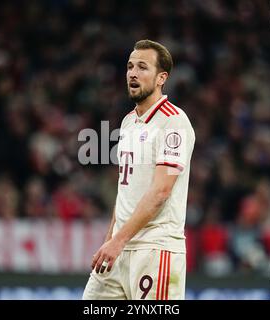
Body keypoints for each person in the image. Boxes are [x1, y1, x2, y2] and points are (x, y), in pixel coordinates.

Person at [83, 39, 195, 300]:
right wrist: (111, 238)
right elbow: (126, 190)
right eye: (130, 66)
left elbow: (160, 192)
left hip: (155, 251)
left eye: (143, 67)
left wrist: (118, 240)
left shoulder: (174, 121)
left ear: (161, 78)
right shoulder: (129, 122)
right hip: (119, 250)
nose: (133, 73)